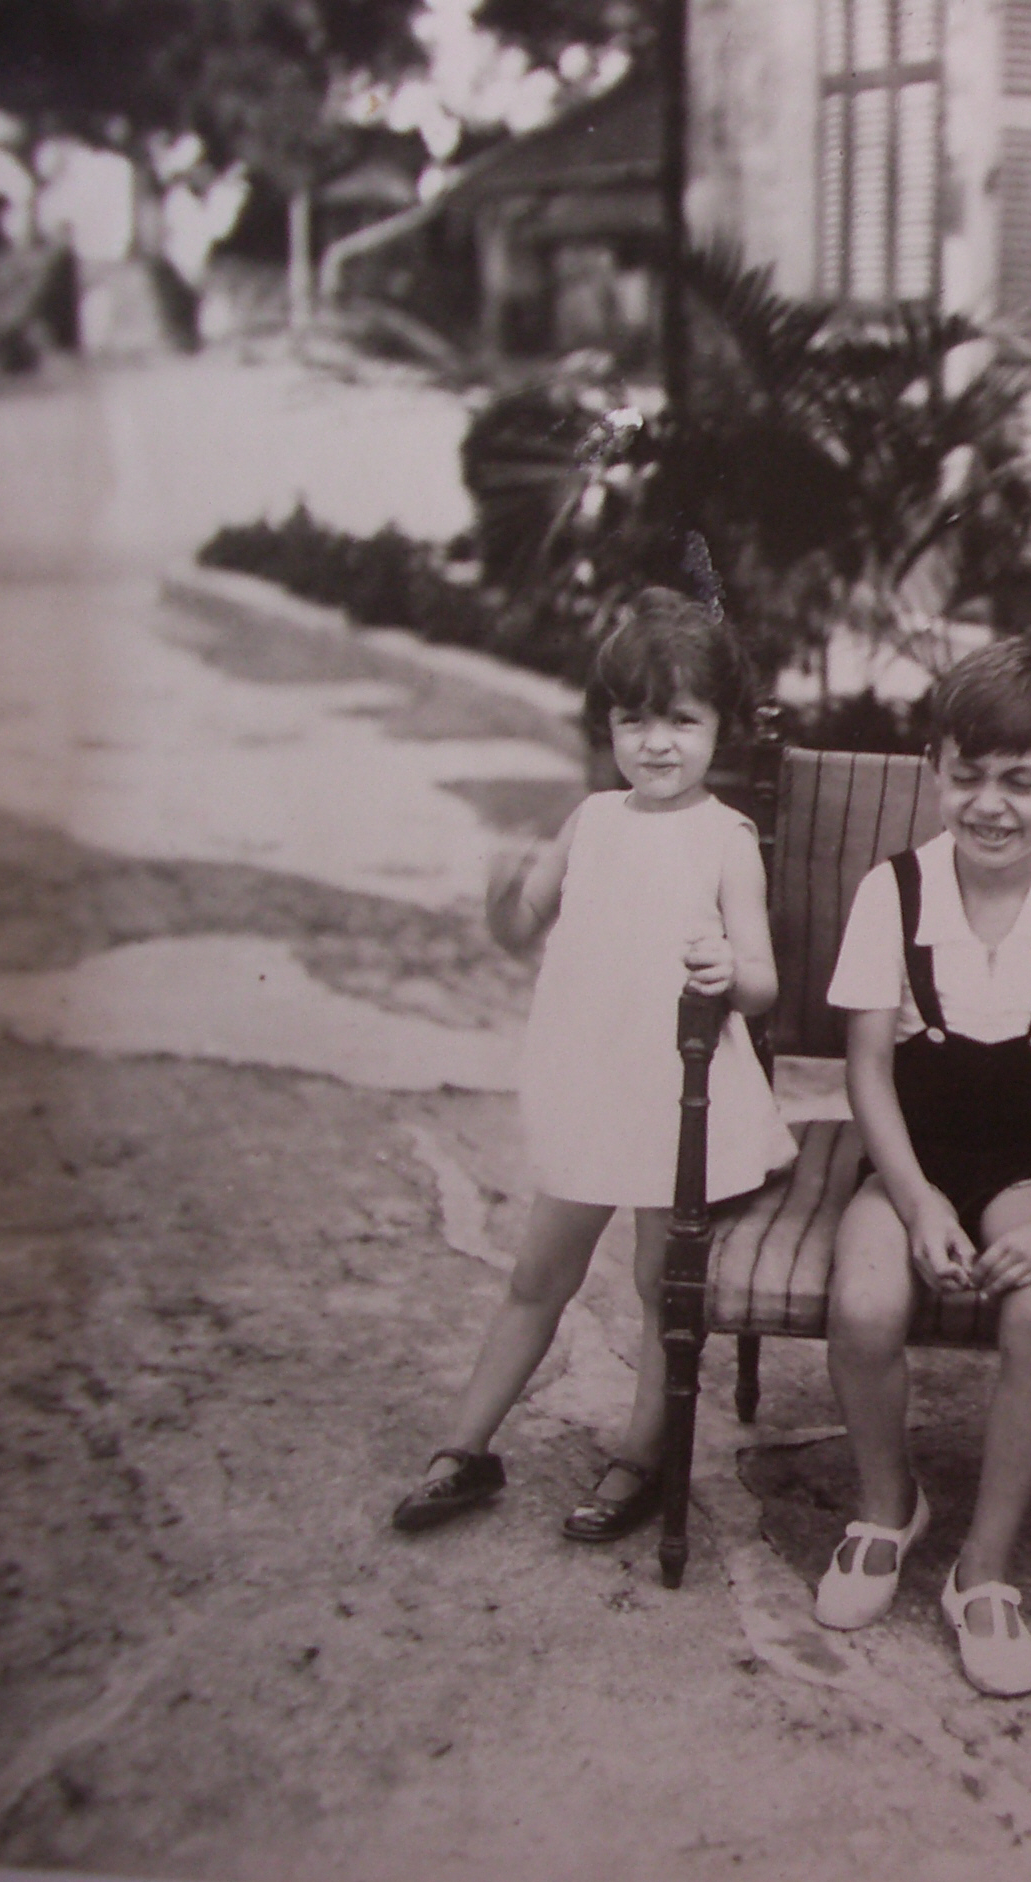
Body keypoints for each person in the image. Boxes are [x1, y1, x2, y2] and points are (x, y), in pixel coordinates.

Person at [392, 588, 792, 1543]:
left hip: (681, 1090)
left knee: (663, 1286)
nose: (658, 743)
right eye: (635, 719)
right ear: (607, 725)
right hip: (595, 1083)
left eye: (683, 721)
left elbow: (765, 982)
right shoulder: (591, 821)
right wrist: (498, 896)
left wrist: (729, 970)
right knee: (538, 1272)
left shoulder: (726, 839)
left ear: (720, 729)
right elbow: (521, 927)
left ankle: (641, 1458)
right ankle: (464, 1447)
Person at [816, 639, 1031, 1697]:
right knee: (867, 1303)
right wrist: (916, 1201)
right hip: (917, 1156)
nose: (991, 805)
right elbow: (868, 1068)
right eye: (967, 775)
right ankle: (887, 1503)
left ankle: (986, 1567)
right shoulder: (896, 888)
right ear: (935, 770)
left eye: (1021, 780)